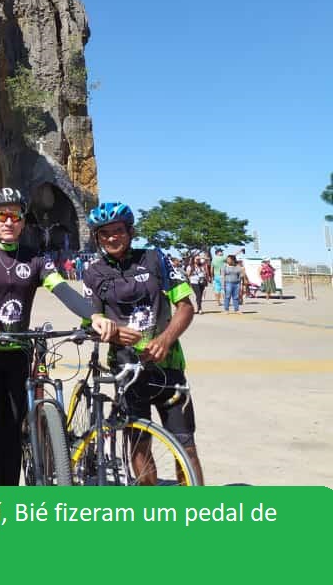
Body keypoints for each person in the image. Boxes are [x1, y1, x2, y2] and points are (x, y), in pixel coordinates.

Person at [0, 188, 120, 485]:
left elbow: (61, 288)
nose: (9, 222)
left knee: (16, 432)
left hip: (21, 353)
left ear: (24, 221)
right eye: (2, 216)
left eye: (16, 216)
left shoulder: (35, 258)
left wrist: (94, 316)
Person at [83, 201, 203, 484]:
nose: (112, 238)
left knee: (185, 444)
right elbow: (91, 319)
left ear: (130, 231)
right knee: (138, 443)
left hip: (168, 366)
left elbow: (186, 306)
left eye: (118, 231)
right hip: (126, 369)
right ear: (97, 238)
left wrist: (165, 338)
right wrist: (110, 333)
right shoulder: (93, 272)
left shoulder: (155, 259)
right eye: (104, 233)